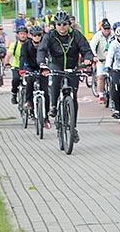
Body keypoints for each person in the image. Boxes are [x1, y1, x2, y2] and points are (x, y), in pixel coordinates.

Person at [37, 10, 94, 142]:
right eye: (59, 24)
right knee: (56, 82)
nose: (62, 27)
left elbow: (86, 49)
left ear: (69, 24)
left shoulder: (76, 35)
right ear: (55, 25)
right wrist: (42, 63)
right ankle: (53, 106)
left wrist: (87, 59)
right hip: (56, 64)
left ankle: (73, 128)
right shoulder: (50, 35)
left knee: (73, 97)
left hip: (72, 66)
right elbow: (42, 49)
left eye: (64, 24)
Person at [19, 24, 50, 126]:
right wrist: (22, 70)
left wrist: (49, 67)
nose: (37, 37)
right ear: (31, 36)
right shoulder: (26, 45)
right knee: (30, 82)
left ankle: (46, 117)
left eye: (39, 35)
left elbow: (50, 56)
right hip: (31, 67)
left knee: (45, 91)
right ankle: (29, 101)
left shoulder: (45, 45)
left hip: (42, 68)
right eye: (34, 35)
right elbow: (22, 58)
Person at [88, 18, 114, 105]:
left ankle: (113, 94)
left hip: (111, 60)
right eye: (105, 29)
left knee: (113, 77)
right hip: (101, 59)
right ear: (102, 28)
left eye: (108, 29)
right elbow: (92, 45)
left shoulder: (113, 35)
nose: (107, 31)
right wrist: (94, 56)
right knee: (100, 77)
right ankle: (101, 95)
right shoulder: (98, 36)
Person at [4, 26, 29, 104]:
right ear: (18, 35)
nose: (22, 35)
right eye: (21, 34)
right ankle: (14, 94)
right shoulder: (14, 45)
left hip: (27, 66)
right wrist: (7, 63)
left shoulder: (29, 44)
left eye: (24, 34)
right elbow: (8, 54)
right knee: (16, 79)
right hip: (17, 66)